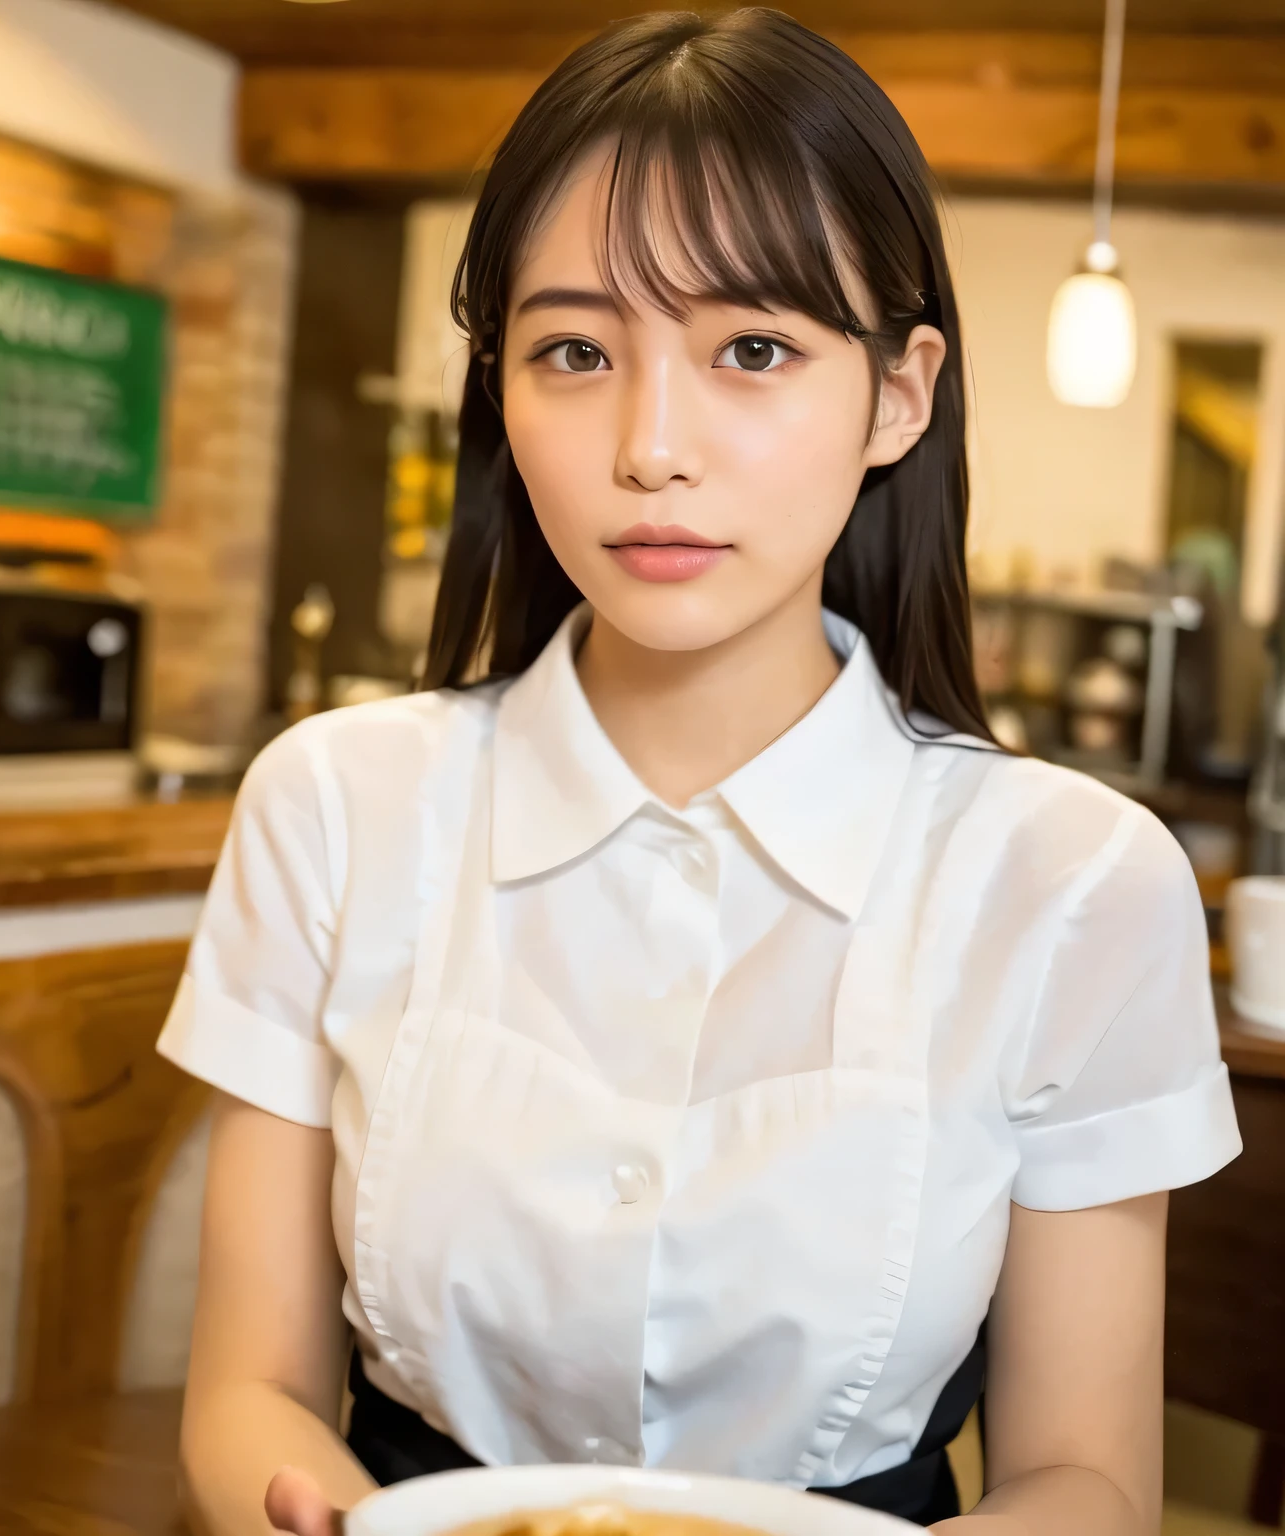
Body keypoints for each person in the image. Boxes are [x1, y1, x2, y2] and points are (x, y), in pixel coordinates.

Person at [158, 11, 1241, 1535]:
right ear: (501, 390)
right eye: (577, 351)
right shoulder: (334, 805)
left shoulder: (1072, 882)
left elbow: (1088, 1481)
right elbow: (248, 1391)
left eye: (752, 349)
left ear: (899, 393)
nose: (651, 446)